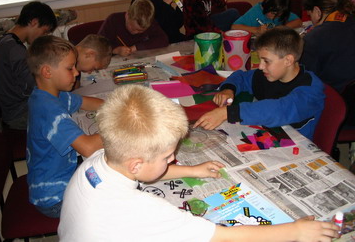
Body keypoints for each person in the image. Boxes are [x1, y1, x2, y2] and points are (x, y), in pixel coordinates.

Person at [58, 84, 340, 242]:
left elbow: (144, 172)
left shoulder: (96, 162)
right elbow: (223, 236)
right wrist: (296, 230)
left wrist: (192, 171)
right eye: (168, 157)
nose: (173, 160)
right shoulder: (141, 209)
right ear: (136, 164)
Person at [194, 27, 325, 141]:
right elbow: (242, 77)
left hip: (297, 146)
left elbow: (279, 110)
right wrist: (228, 89)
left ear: (288, 60)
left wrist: (227, 113)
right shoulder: (269, 74)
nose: (261, 66)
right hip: (269, 134)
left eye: (266, 61)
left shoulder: (311, 91)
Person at [26, 35, 104, 218]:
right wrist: (125, 126)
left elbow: (85, 101)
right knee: (117, 200)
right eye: (70, 68)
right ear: (47, 72)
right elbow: (87, 147)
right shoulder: (48, 109)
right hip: (55, 198)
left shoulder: (50, 94)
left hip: (61, 174)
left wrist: (118, 105)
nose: (77, 73)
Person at [0, 1, 57, 130]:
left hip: (12, 107)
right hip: (18, 115)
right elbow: (34, 86)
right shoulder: (14, 49)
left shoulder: (6, 41)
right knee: (64, 108)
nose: (43, 36)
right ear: (34, 22)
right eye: (44, 31)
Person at [300, 0, 355, 93]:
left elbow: (307, 78)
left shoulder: (314, 37)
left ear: (317, 11)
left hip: (335, 95)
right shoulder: (350, 20)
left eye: (310, 14)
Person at [98, 0, 169, 57]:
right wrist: (115, 50)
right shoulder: (113, 20)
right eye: (132, 28)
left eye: (141, 31)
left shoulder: (149, 22)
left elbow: (163, 40)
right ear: (127, 15)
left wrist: (136, 47)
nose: (136, 32)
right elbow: (98, 45)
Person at [231, 0, 302, 36]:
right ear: (267, 6)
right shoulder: (256, 11)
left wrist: (281, 28)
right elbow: (234, 27)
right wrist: (256, 30)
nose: (273, 17)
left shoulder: (281, 10)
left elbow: (298, 21)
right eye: (272, 13)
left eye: (278, 15)